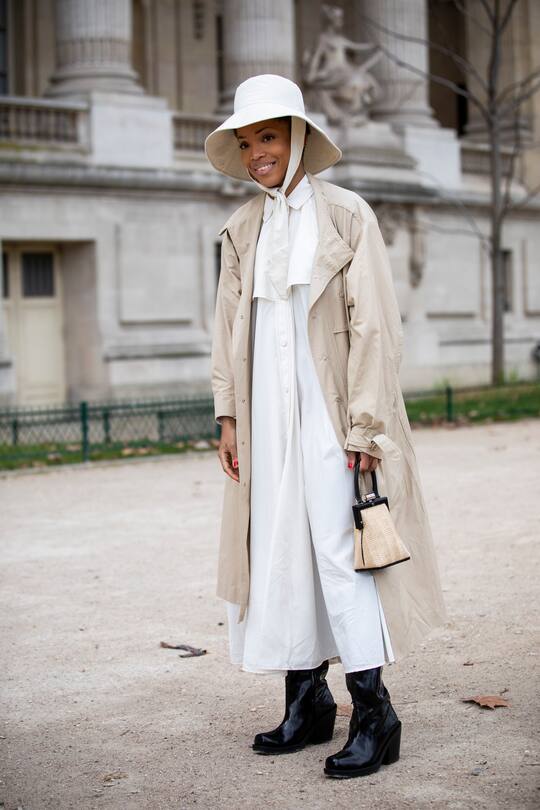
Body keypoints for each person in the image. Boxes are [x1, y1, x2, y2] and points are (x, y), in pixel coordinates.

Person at [205, 74, 446, 779]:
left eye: (269, 136)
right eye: (246, 141)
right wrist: (227, 414)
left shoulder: (345, 216)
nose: (257, 152)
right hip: (266, 419)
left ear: (299, 137)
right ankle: (306, 702)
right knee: (279, 549)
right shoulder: (242, 229)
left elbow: (375, 326)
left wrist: (365, 427)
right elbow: (226, 330)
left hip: (332, 415)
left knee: (343, 554)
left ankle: (375, 714)